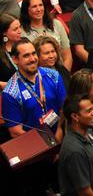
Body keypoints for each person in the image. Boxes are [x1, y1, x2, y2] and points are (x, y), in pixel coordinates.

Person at [2, 39, 66, 194]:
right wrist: (48, 149)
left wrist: (58, 139)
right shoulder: (11, 92)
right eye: (26, 56)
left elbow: (65, 109)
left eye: (33, 54)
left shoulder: (53, 75)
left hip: (62, 142)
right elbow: (16, 132)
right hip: (37, 156)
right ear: (15, 60)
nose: (32, 59)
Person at [58, 94, 93, 196]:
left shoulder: (89, 133)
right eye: (89, 111)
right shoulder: (74, 150)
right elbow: (85, 192)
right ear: (75, 117)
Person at [20, 0, 72, 70]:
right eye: (34, 6)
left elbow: (67, 57)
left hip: (60, 74)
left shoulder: (56, 24)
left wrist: (62, 78)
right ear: (26, 10)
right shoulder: (21, 32)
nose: (38, 9)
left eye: (41, 5)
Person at [0, 14, 22, 88]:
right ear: (4, 32)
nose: (19, 31)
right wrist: (9, 86)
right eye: (15, 29)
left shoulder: (25, 43)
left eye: (20, 27)